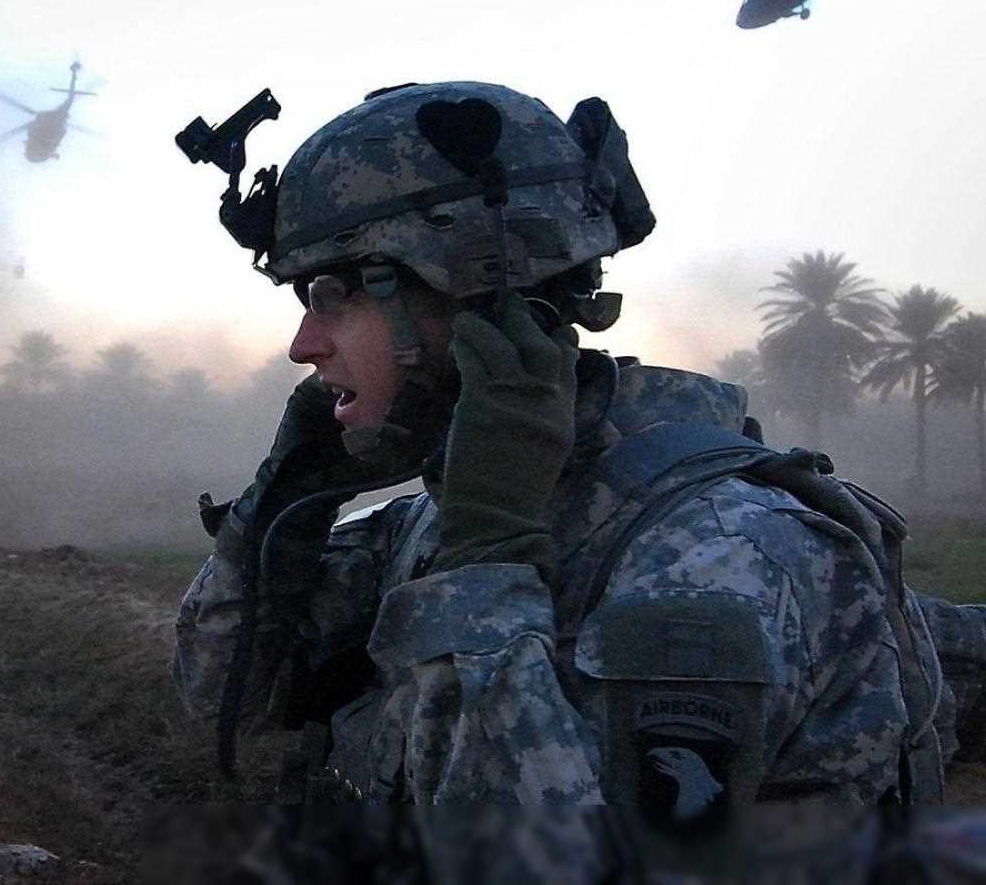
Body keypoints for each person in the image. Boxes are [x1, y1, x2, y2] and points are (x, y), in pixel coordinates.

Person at [170, 81, 986, 875]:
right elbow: (229, 692)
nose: (304, 346)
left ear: (479, 299)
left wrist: (486, 572)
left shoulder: (713, 557)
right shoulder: (443, 519)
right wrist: (284, 497)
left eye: (332, 296)